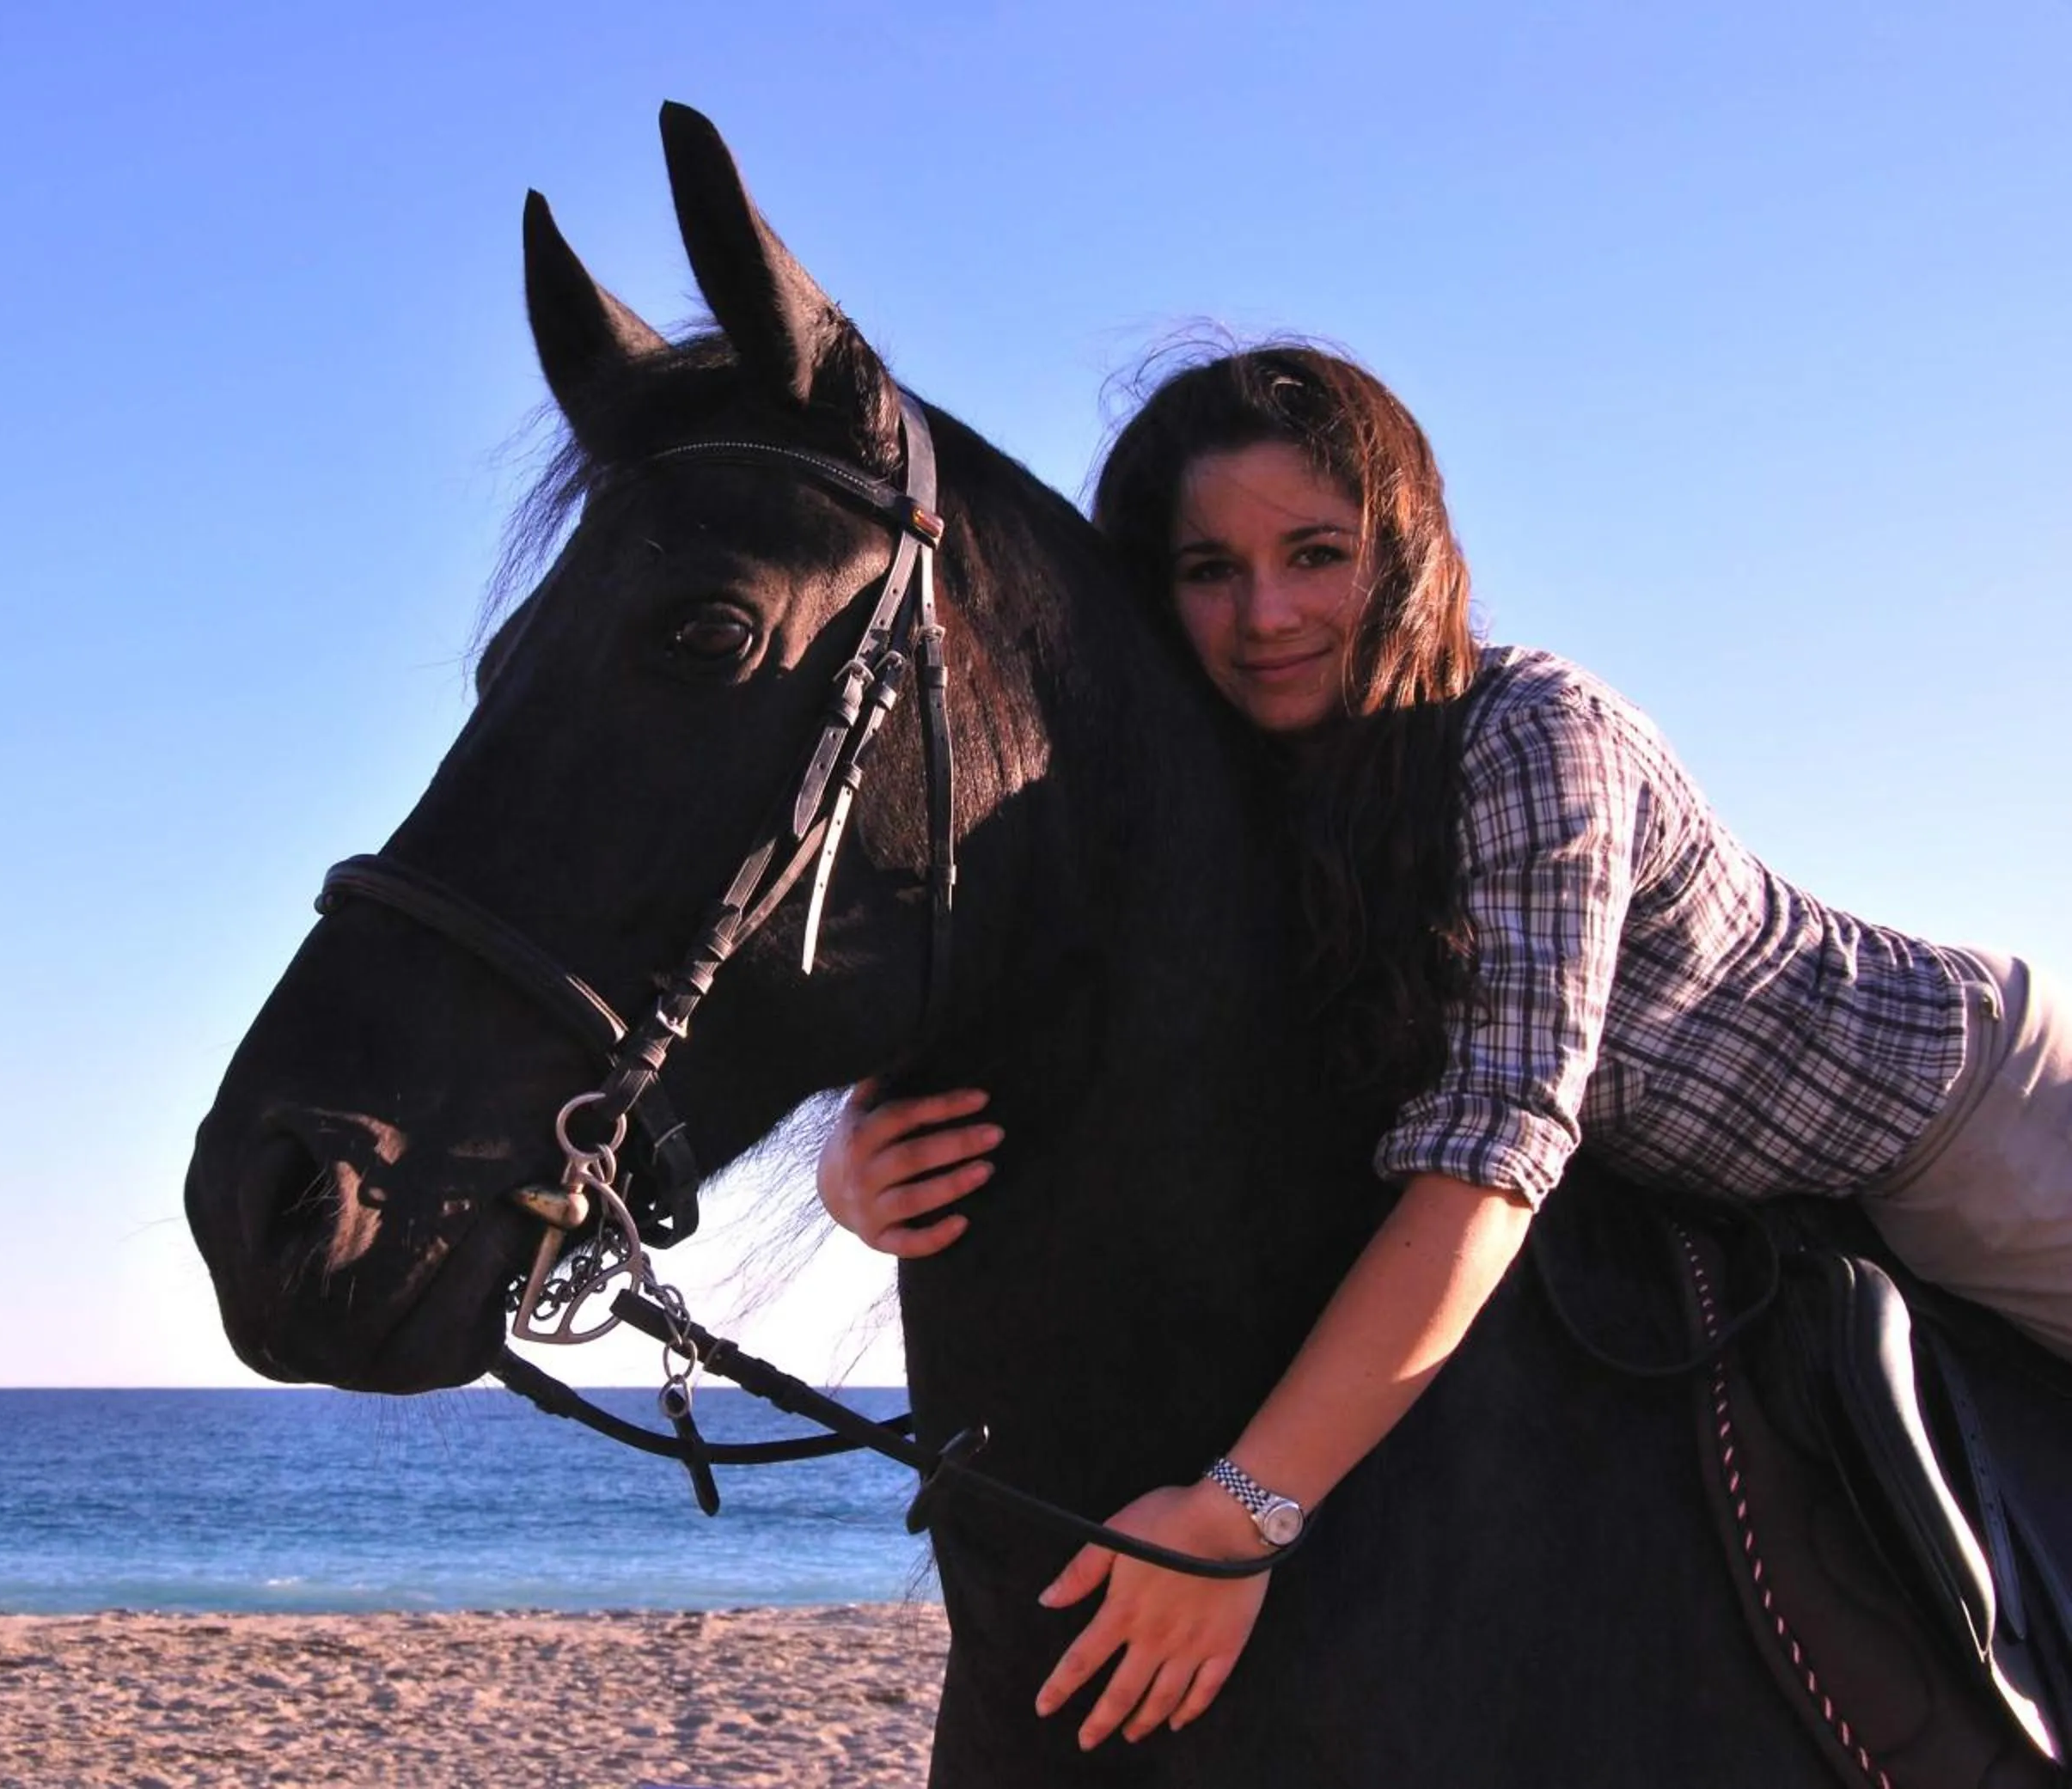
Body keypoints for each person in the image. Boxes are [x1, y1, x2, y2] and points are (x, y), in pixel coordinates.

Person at [815, 344, 2072, 1755]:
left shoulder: (1533, 733)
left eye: (1315, 552)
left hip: (1944, 1120)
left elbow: (1492, 1150)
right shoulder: (1231, 794)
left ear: (1404, 553)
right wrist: (857, 1159)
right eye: (1208, 568)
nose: (1267, 613)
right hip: (1663, 1183)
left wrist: (1239, 1517)